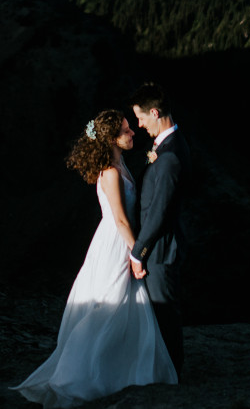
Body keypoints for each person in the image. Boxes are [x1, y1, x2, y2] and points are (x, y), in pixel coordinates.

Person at [13, 109, 177, 407]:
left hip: (118, 240)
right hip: (114, 242)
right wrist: (136, 254)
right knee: (109, 305)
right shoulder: (111, 172)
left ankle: (119, 367)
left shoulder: (121, 164)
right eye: (126, 131)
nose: (132, 134)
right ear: (113, 139)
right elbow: (120, 220)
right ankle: (80, 374)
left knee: (124, 304)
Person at [129, 83, 189, 379]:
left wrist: (138, 252)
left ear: (155, 113)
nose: (139, 125)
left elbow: (159, 213)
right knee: (158, 312)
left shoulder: (170, 157)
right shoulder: (166, 147)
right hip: (159, 248)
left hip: (160, 250)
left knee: (165, 313)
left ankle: (171, 375)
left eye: (141, 118)